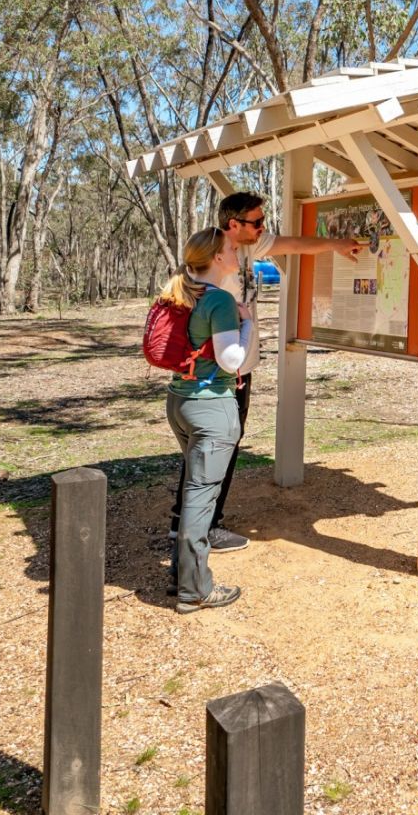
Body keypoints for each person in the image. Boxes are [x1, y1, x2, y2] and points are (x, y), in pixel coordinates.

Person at [168, 190, 362, 555]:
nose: (263, 228)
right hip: (222, 375)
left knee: (208, 450)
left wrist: (335, 244)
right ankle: (203, 530)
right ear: (233, 225)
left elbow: (292, 243)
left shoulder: (243, 248)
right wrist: (242, 329)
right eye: (256, 223)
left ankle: (186, 523)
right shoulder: (218, 260)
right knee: (216, 450)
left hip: (234, 370)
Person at [160, 227, 252, 613]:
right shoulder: (220, 301)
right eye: (231, 248)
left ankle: (182, 576)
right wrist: (247, 324)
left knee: (195, 490)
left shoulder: (181, 291)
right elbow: (232, 359)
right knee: (201, 499)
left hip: (180, 402)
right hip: (211, 408)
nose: (236, 253)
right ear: (216, 258)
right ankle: (194, 590)